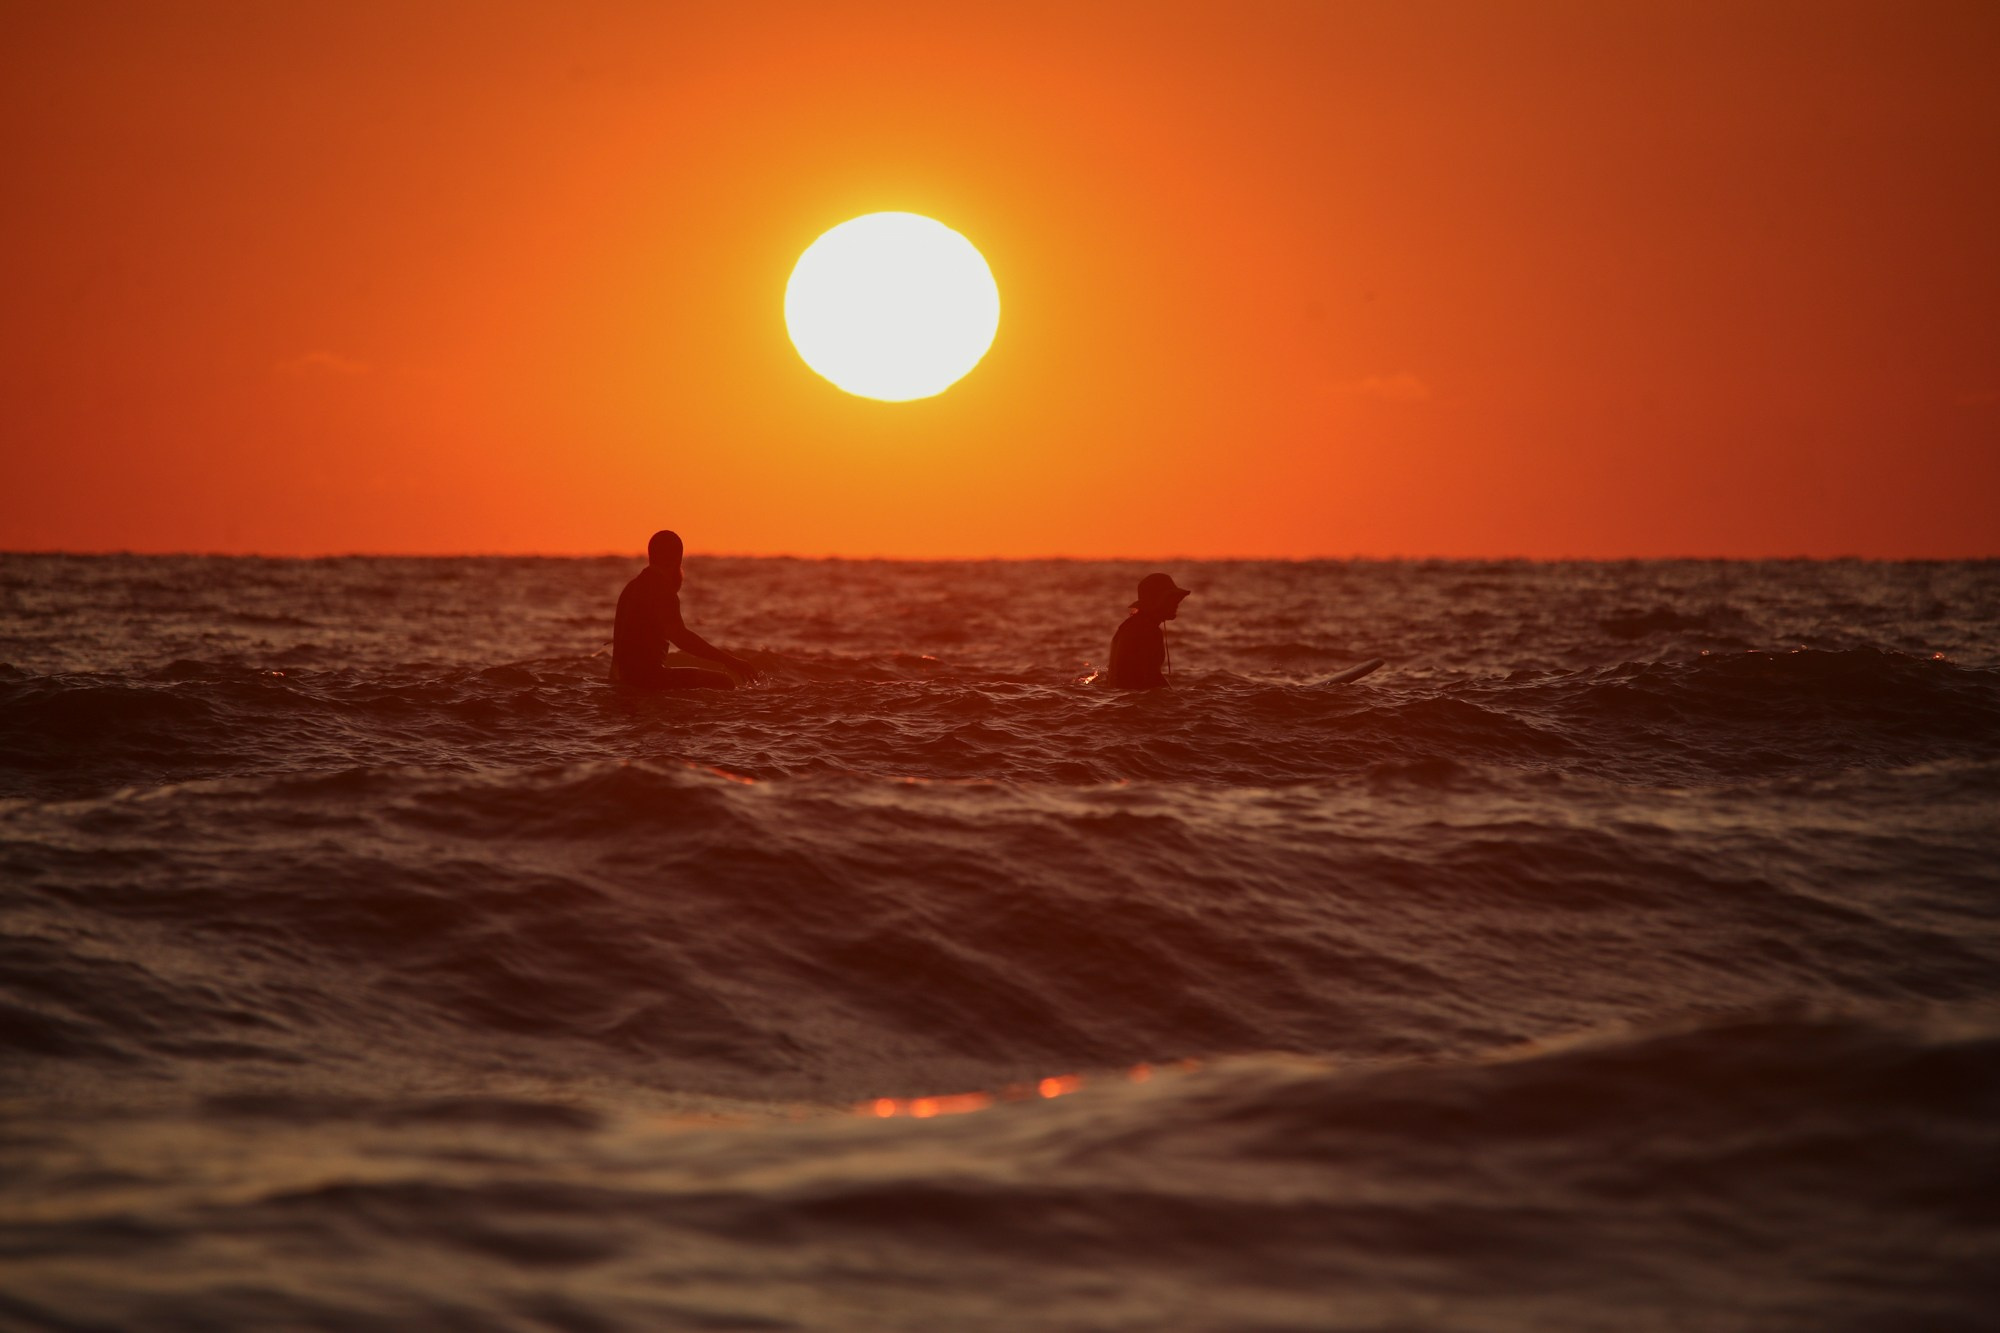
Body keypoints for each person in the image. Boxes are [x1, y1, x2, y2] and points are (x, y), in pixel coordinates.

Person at [611, 530, 760, 690]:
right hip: (647, 680)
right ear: (677, 559)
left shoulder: (631, 587)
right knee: (723, 682)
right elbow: (680, 637)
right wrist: (731, 661)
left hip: (623, 679)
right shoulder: (661, 589)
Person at [1105, 572, 1192, 689]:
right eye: (1171, 598)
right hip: (1136, 703)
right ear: (1158, 601)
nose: (1176, 604)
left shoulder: (1128, 626)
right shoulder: (1148, 631)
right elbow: (1150, 678)